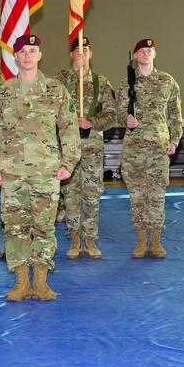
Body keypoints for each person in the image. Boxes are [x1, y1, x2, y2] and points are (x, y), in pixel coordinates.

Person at [0, 34, 80, 301]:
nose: (27, 55)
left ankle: (40, 281)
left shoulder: (55, 90)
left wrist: (69, 163)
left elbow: (70, 128)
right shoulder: (1, 93)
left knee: (44, 227)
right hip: (12, 172)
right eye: (22, 51)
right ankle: (20, 283)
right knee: (15, 227)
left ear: (40, 55)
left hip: (46, 171)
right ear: (15, 56)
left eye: (32, 50)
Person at [116, 38, 183, 259]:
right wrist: (125, 118)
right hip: (134, 149)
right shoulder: (127, 83)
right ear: (135, 56)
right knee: (137, 195)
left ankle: (156, 241)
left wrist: (174, 140)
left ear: (155, 54)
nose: (146, 54)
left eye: (150, 51)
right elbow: (117, 112)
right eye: (142, 51)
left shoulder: (167, 81)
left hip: (159, 148)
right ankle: (141, 241)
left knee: (156, 195)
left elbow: (175, 114)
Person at [55, 36, 117, 259]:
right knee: (70, 193)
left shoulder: (101, 82)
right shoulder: (60, 80)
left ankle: (90, 238)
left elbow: (112, 114)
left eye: (86, 50)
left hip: (92, 147)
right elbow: (50, 103)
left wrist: (93, 122)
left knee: (91, 194)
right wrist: (74, 72)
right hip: (67, 147)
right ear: (72, 55)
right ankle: (74, 237)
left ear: (91, 54)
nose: (82, 54)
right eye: (77, 51)